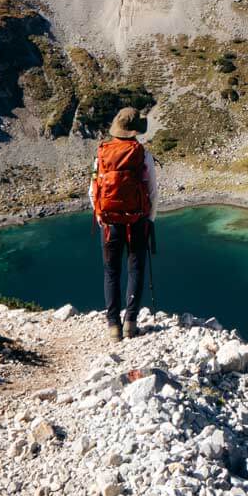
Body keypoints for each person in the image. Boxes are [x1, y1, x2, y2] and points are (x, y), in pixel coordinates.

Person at [90, 106, 157, 341]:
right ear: (135, 130)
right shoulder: (142, 153)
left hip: (109, 222)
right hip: (137, 220)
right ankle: (130, 322)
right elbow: (152, 191)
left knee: (111, 271)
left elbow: (93, 189)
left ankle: (113, 327)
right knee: (135, 268)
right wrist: (149, 219)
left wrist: (100, 214)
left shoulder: (101, 153)